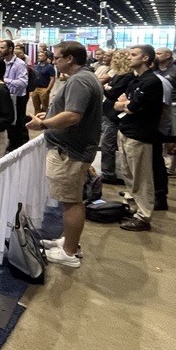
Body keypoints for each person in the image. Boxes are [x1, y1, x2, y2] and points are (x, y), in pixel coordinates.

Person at [28, 41, 104, 268]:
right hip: (73, 149)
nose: (54, 61)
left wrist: (44, 124)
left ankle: (69, 252)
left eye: (57, 57)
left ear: (70, 58)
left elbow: (72, 116)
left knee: (71, 201)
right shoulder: (85, 77)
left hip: (70, 152)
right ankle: (69, 241)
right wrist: (51, 115)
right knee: (71, 199)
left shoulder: (79, 80)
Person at [113, 45, 165, 231]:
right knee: (128, 174)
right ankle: (134, 208)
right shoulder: (135, 80)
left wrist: (124, 104)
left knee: (141, 179)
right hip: (125, 131)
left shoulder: (151, 82)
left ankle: (143, 216)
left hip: (140, 136)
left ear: (145, 58)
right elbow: (118, 103)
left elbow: (131, 107)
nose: (129, 58)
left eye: (133, 55)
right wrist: (123, 104)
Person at [155, 48, 176, 178]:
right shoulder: (154, 70)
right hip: (158, 107)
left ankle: (170, 168)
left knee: (173, 137)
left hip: (174, 107)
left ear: (168, 55)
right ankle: (159, 164)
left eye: (159, 53)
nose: (156, 55)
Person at [99, 49, 131, 184]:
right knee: (107, 143)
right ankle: (108, 172)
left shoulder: (127, 77)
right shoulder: (119, 75)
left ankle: (108, 173)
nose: (113, 61)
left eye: (115, 59)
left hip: (114, 115)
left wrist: (106, 88)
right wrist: (108, 88)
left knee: (108, 144)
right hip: (108, 112)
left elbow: (113, 93)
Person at [0, 40, 29, 151]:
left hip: (18, 98)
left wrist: (5, 80)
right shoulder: (1, 63)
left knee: (17, 125)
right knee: (8, 124)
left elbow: (23, 83)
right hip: (6, 97)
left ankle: (18, 148)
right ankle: (11, 145)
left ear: (10, 49)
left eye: (2, 48)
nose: (0, 50)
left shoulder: (20, 64)